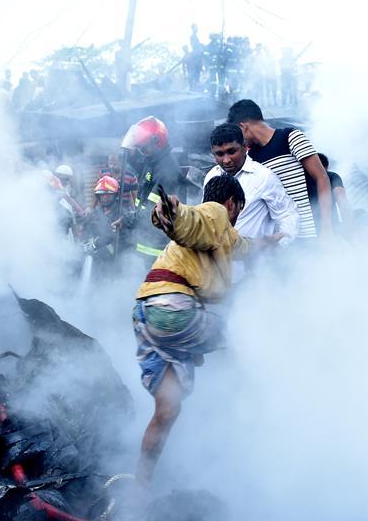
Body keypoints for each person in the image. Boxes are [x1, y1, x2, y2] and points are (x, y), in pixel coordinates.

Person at [134, 174, 283, 486]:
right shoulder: (214, 212)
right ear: (232, 203)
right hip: (174, 310)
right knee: (246, 334)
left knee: (167, 410)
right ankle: (262, 413)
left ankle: (140, 487)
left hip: (147, 314)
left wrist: (268, 241)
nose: (235, 220)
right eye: (238, 213)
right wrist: (172, 212)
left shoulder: (223, 236)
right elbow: (189, 222)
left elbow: (241, 245)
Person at [227, 99, 333, 239]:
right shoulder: (252, 157)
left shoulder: (290, 137)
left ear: (243, 127)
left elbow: (322, 178)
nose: (239, 141)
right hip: (285, 239)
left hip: (313, 231)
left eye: (237, 134)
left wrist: (326, 227)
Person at [204, 122, 299, 244]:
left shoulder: (264, 177)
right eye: (220, 154)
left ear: (244, 147)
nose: (226, 160)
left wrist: (279, 245)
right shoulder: (211, 176)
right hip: (218, 260)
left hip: (256, 259)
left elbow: (288, 215)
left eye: (232, 151)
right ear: (213, 153)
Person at [120, 116, 189, 260]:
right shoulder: (152, 163)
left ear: (157, 142)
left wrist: (129, 219)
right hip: (147, 239)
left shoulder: (166, 170)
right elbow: (144, 201)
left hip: (158, 247)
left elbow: (154, 211)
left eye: (144, 148)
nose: (142, 152)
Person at [317, 153, 355, 233]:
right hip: (332, 229)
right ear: (327, 167)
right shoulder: (332, 176)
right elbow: (343, 203)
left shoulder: (300, 180)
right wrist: (351, 231)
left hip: (305, 233)